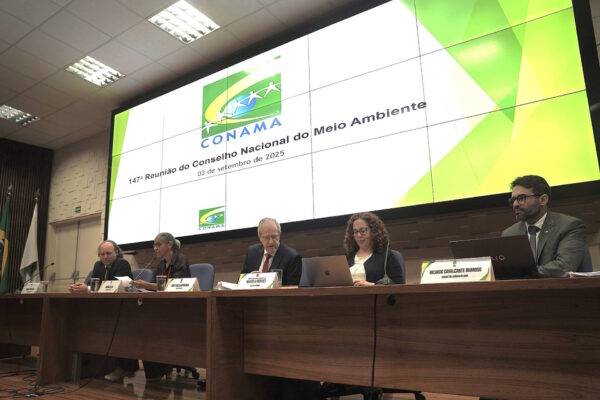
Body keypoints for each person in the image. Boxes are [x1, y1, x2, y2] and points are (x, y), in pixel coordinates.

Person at [68, 241, 138, 381]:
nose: (105, 257)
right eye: (102, 254)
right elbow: (93, 285)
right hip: (104, 308)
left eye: (108, 253)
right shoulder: (98, 265)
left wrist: (88, 289)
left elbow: (113, 287)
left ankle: (125, 367)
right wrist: (80, 288)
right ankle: (96, 364)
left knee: (118, 329)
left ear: (116, 252)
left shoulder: (122, 264)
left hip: (123, 309)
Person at [502, 175, 589, 277]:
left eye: (521, 198)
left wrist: (526, 273)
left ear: (543, 200)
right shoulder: (509, 234)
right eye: (513, 200)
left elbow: (564, 266)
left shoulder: (569, 226)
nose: (515, 204)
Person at [344, 212, 405, 285]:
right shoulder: (347, 257)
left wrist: (372, 285)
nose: (358, 235)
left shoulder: (388, 256)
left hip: (374, 293)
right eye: (355, 231)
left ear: (374, 231)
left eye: (363, 231)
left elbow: (399, 286)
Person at [241, 217, 302, 285]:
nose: (271, 242)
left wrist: (267, 282)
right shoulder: (252, 252)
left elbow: (292, 288)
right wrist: (249, 278)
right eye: (266, 237)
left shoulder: (292, 257)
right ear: (260, 238)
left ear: (279, 235)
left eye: (274, 236)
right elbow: (240, 283)